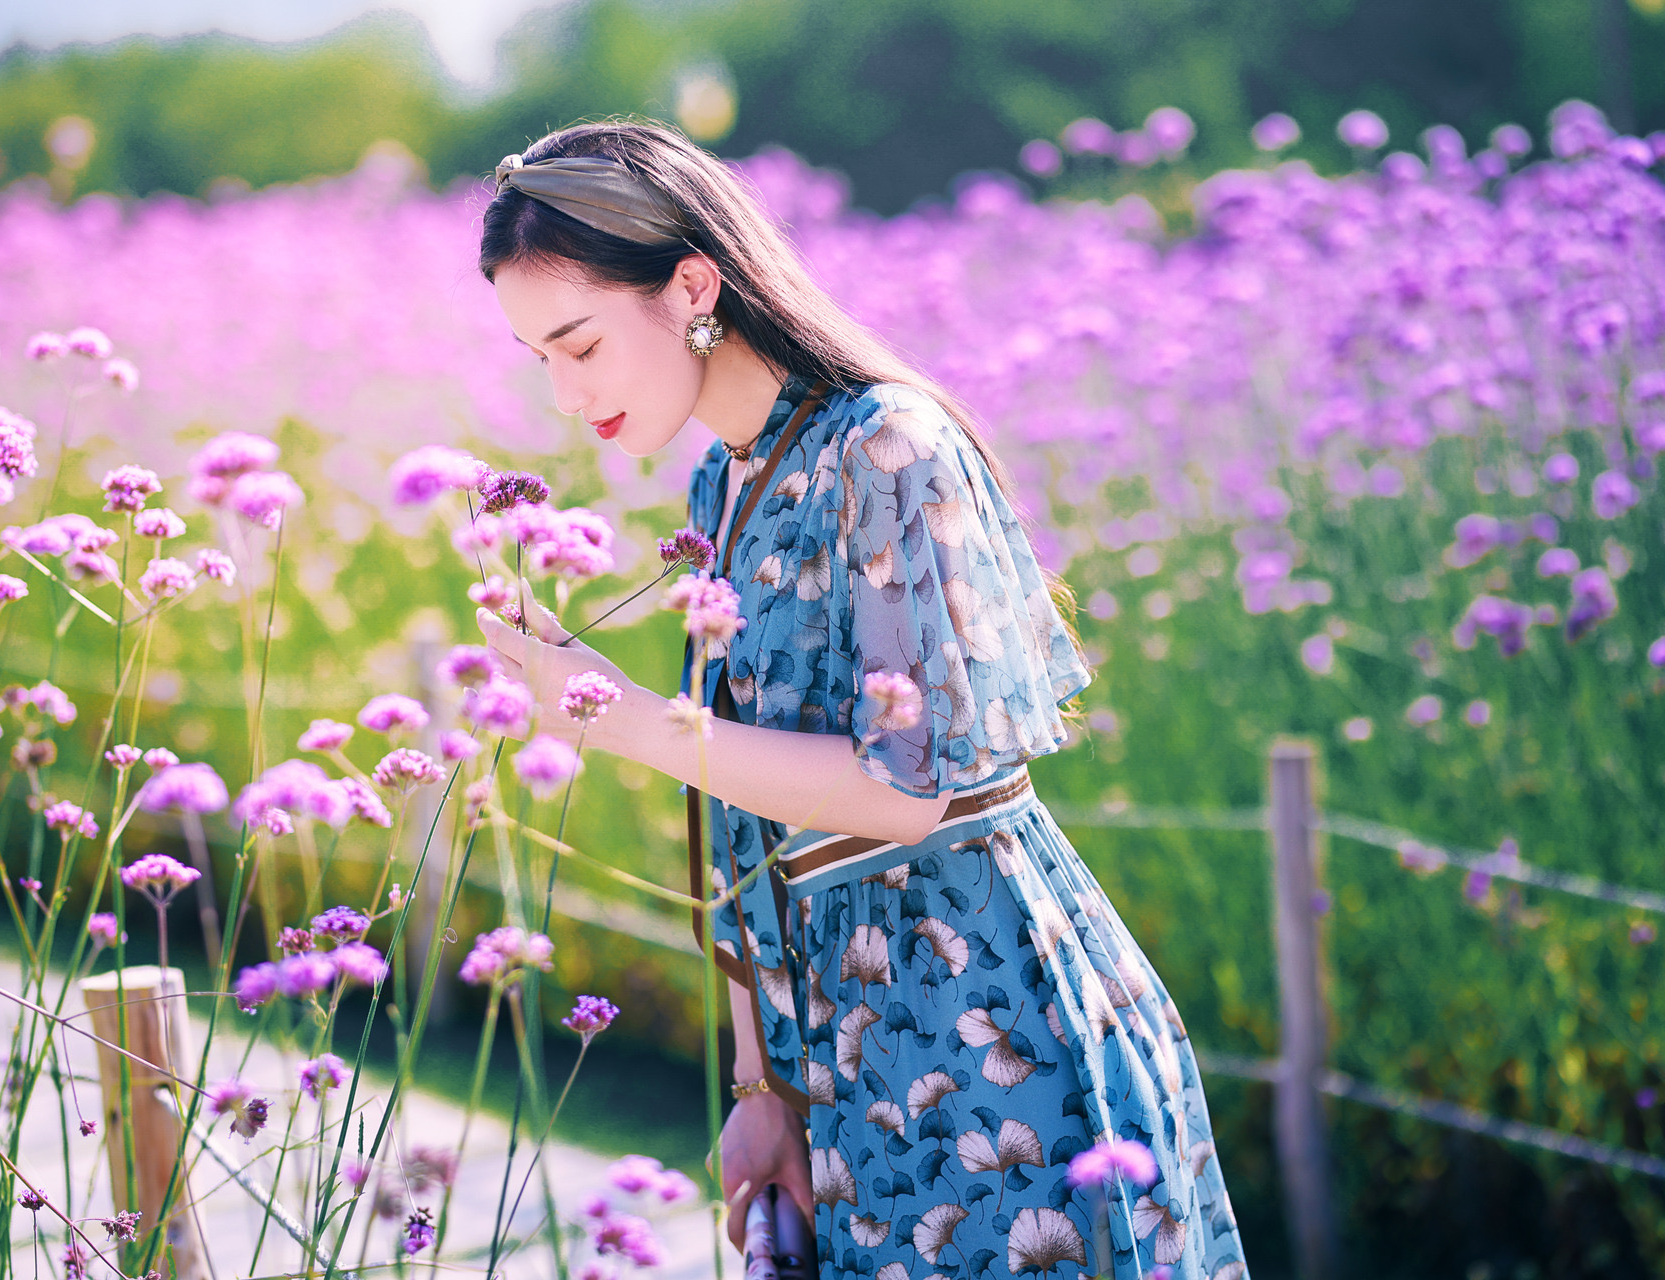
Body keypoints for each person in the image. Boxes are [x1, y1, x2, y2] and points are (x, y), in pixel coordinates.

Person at [474, 119, 1249, 1280]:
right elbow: (745, 824)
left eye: (579, 343)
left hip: (985, 1022)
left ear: (692, 283)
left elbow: (909, 792)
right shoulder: (722, 475)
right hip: (832, 1054)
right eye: (539, 358)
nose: (564, 391)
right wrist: (762, 1084)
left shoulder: (887, 446)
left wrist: (623, 716)